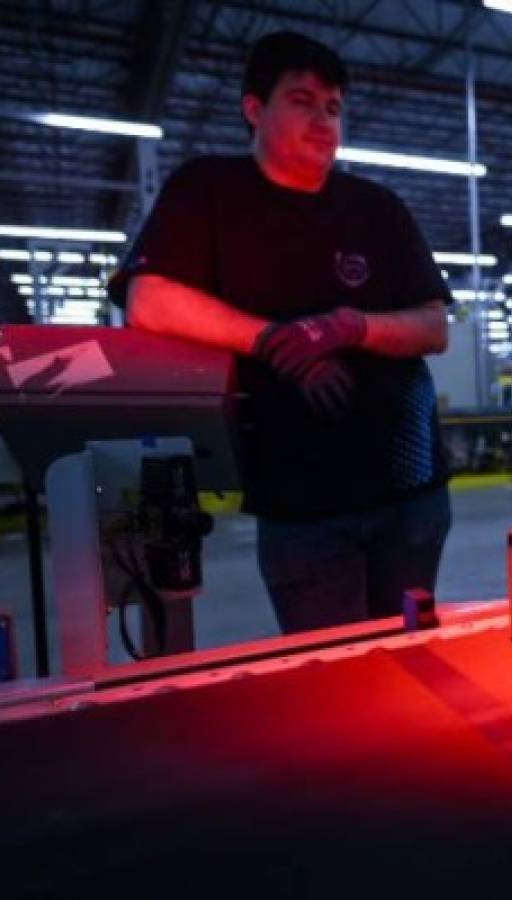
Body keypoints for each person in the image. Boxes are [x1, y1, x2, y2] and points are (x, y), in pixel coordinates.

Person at [110, 31, 453, 634]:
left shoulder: (378, 210)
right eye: (302, 100)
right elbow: (149, 300)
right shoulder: (209, 192)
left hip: (411, 492)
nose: (323, 118)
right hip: (302, 504)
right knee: (330, 679)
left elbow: (433, 327)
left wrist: (351, 327)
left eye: (333, 107)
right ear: (253, 108)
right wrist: (273, 340)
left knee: (412, 662)